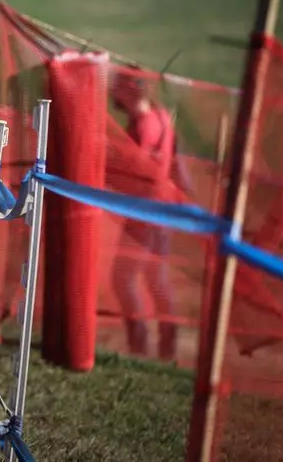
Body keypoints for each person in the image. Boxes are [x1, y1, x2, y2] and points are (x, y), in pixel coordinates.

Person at [108, 70, 193, 363]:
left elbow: (136, 167)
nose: (113, 93)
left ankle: (140, 344)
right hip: (160, 209)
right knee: (156, 277)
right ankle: (167, 345)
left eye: (118, 87)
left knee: (123, 277)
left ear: (130, 90)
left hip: (146, 210)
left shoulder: (144, 124)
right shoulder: (159, 115)